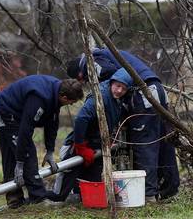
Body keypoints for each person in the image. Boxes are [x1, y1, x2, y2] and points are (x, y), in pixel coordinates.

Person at [66, 49, 180, 201]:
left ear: (80, 71)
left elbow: (117, 81)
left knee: (144, 144)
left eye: (81, 79)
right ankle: (169, 188)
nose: (84, 82)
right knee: (162, 140)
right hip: (157, 89)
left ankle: (148, 194)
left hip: (142, 93)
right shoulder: (106, 53)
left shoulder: (94, 61)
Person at [0, 75, 84, 208]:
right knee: (27, 151)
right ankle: (38, 198)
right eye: (71, 102)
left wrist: (50, 151)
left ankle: (14, 201)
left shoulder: (56, 91)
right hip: (4, 110)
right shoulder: (40, 97)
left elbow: (52, 123)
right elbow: (26, 129)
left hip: (16, 112)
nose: (70, 105)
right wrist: (21, 162)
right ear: (64, 97)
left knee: (11, 152)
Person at [51, 68, 133, 202]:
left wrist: (108, 139)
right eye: (118, 86)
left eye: (123, 89)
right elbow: (82, 119)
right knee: (67, 178)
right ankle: (55, 201)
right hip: (80, 144)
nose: (119, 91)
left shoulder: (118, 100)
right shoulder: (100, 96)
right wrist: (80, 145)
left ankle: (82, 200)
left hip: (96, 146)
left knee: (92, 181)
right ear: (112, 82)